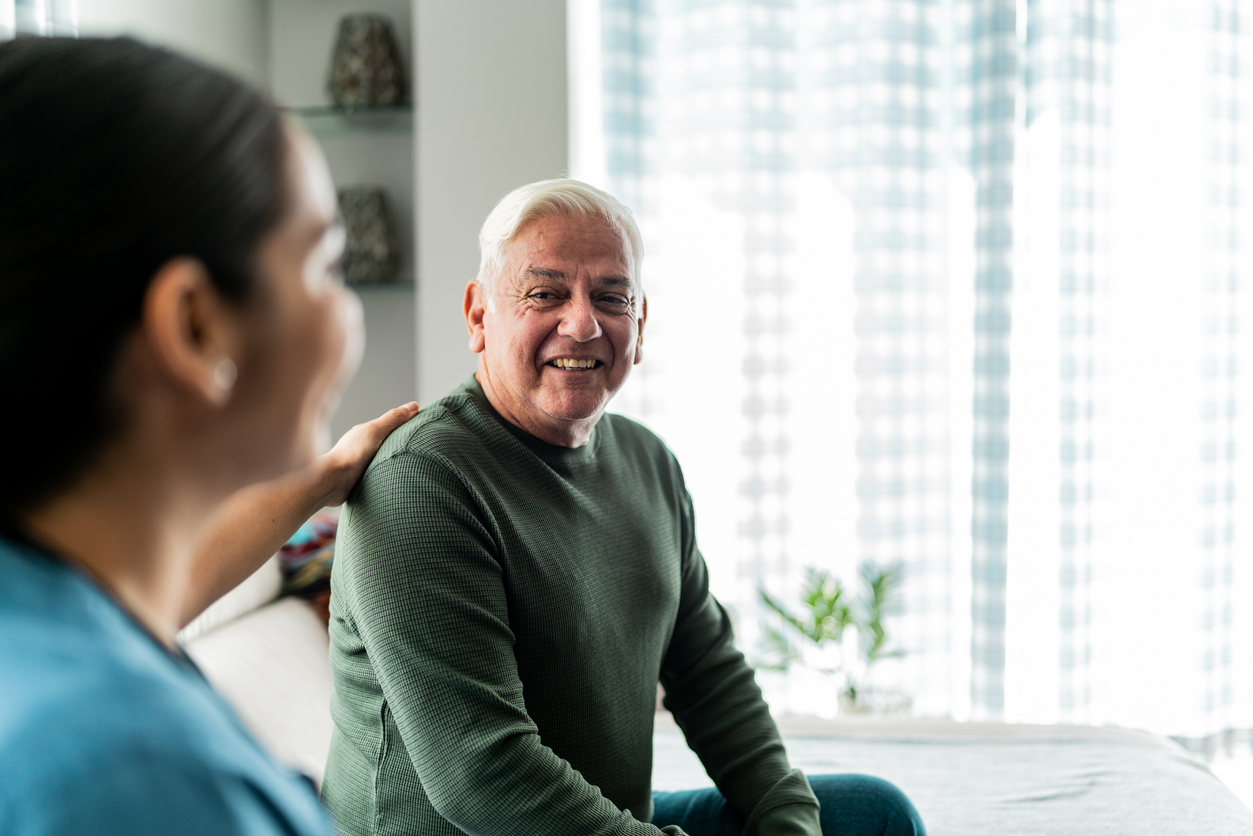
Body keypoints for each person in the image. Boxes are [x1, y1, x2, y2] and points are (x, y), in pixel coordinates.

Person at [322, 179, 927, 836]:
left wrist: (789, 822)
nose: (582, 322)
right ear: (477, 315)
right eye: (545, 293)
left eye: (611, 296)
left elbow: (708, 675)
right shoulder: (421, 483)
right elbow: (483, 773)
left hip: (606, 820)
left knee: (872, 816)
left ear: (638, 325)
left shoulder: (647, 462)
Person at [0, 36, 416, 834]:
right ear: (194, 326)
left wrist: (327, 473)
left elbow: (155, 592)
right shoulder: (133, 778)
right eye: (327, 266)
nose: (349, 312)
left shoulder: (43, 607)